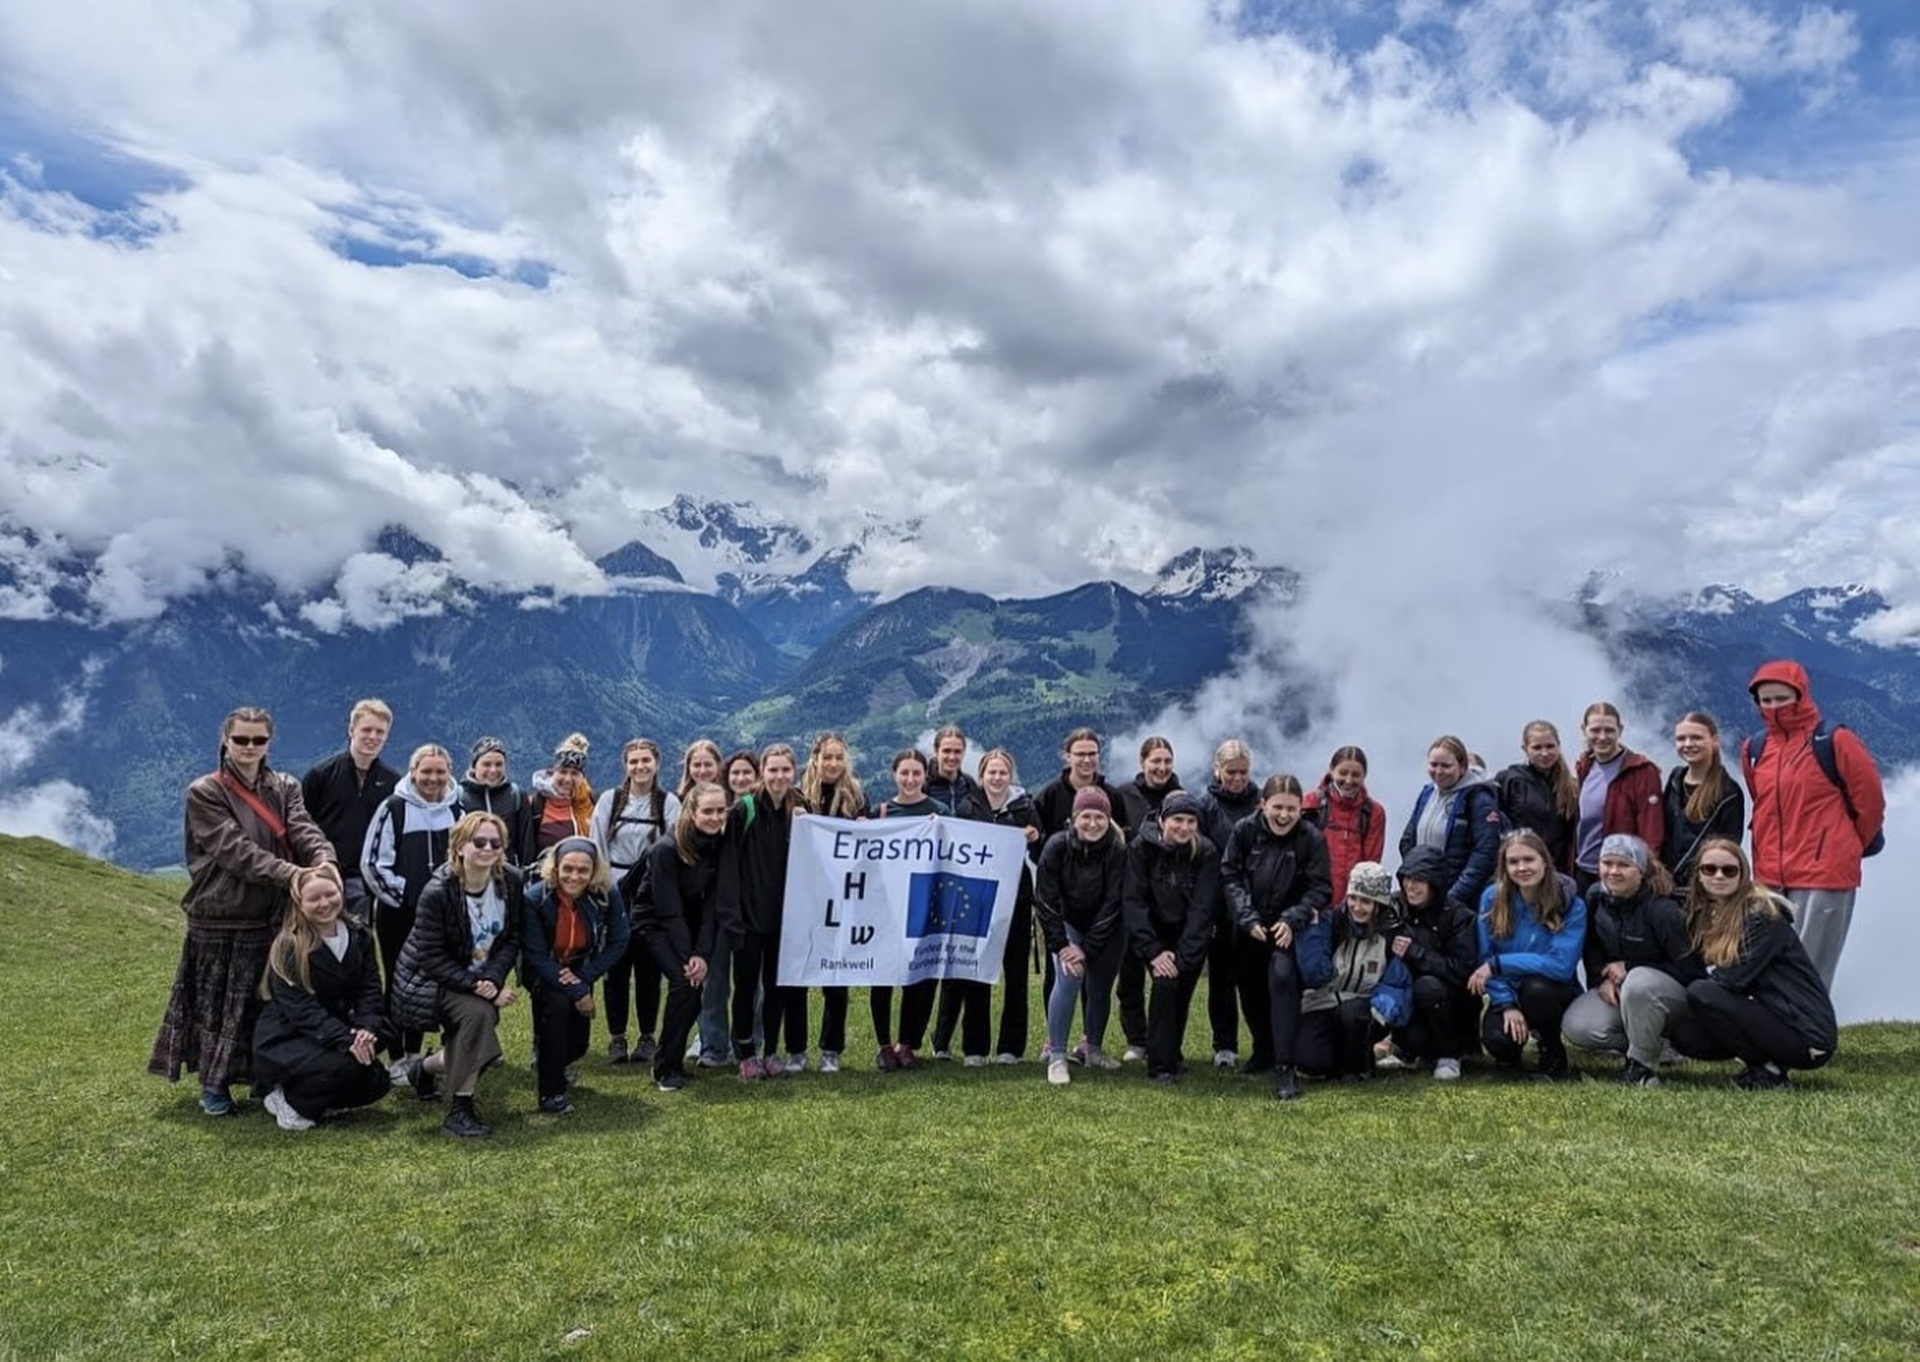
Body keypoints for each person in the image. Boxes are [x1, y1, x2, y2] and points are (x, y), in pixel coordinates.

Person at [150, 707, 336, 1116]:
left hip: (273, 912)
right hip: (223, 914)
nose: (250, 748)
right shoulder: (205, 792)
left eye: (258, 740)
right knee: (219, 1007)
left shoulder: (285, 786)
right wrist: (293, 873)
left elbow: (303, 828)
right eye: (241, 740)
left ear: (269, 743)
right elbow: (235, 851)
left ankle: (260, 1075)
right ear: (225, 741)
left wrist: (324, 860)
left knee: (268, 1002)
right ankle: (214, 1085)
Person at [1739, 661, 1886, 987]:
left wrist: (1842, 847)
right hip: (1770, 877)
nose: (1774, 706)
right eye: (1766, 700)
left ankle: (1812, 1037)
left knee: (1812, 970)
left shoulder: (1835, 740)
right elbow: (1763, 804)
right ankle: (1776, 1035)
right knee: (1768, 967)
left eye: (1781, 698)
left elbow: (1871, 802)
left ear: (1800, 695)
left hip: (1824, 878)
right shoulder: (1754, 748)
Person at [390, 812, 523, 1138]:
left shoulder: (511, 881)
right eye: (479, 842)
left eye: (496, 842)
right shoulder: (438, 891)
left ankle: (424, 1069)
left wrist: (492, 978)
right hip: (431, 978)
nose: (488, 848)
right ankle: (459, 1110)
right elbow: (431, 957)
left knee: (476, 1031)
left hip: (479, 976)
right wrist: (483, 989)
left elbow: (512, 938)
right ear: (460, 846)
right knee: (479, 1019)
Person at [1682, 838, 1839, 1089]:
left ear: (1743, 874)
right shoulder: (1708, 915)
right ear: (1699, 875)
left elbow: (1731, 980)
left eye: (1729, 870)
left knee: (1701, 992)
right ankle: (1764, 1067)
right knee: (1685, 1035)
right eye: (1709, 869)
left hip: (1809, 1036)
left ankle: (1770, 1069)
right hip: (1777, 1020)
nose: (1719, 876)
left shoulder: (1763, 915)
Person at [252, 864, 394, 1131]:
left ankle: (320, 1096)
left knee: (377, 1080)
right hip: (289, 1035)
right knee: (347, 1065)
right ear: (299, 903)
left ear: (340, 891)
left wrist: (365, 1030)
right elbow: (301, 1009)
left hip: (339, 1025)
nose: (324, 903)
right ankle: (286, 1098)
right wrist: (345, 1039)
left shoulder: (359, 934)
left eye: (330, 894)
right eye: (314, 898)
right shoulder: (289, 945)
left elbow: (369, 988)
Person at [1222, 775, 1333, 1100]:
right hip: (1250, 926)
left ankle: (1285, 1068)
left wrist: (1293, 918)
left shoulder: (1311, 838)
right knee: (1250, 987)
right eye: (1277, 808)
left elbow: (1321, 887)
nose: (1284, 815)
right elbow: (1229, 873)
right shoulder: (1244, 830)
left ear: (1301, 808)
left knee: (1283, 984)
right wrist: (1246, 917)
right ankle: (1263, 1050)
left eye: (1291, 809)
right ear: (1263, 805)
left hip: (1289, 929)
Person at [1560, 835, 1703, 1086]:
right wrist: (1602, 980)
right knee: (1577, 1027)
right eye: (1607, 863)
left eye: (1624, 865)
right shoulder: (1595, 896)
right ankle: (1656, 1044)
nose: (1613, 872)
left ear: (1641, 870)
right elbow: (1592, 946)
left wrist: (1630, 968)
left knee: (1639, 982)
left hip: (1668, 995)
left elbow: (1692, 971)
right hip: (1622, 990)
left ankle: (1641, 1068)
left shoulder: (1663, 910)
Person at [360, 743, 461, 1067]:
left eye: (440, 771)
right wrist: (409, 898)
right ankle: (400, 1056)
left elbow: (467, 859)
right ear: (413, 771)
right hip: (399, 916)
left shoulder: (458, 811)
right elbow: (373, 864)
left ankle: (437, 1053)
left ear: (449, 773)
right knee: (400, 982)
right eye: (426, 771)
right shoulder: (395, 808)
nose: (433, 778)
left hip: (446, 916)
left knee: (442, 979)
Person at [716, 744, 806, 1080]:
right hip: (749, 920)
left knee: (776, 988)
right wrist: (732, 918)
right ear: (763, 772)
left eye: (785, 770)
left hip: (785, 921)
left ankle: (770, 1051)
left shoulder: (799, 810)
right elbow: (728, 868)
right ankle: (745, 1052)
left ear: (793, 772)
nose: (779, 777)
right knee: (746, 987)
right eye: (773, 770)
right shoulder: (744, 810)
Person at [522, 837, 630, 1114]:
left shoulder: (607, 893)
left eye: (583, 870)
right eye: (567, 868)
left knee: (578, 1044)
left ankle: (551, 1057)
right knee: (557, 1010)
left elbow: (620, 940)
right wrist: (576, 991)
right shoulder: (536, 897)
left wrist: (584, 979)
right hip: (545, 969)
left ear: (594, 871)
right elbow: (533, 953)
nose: (574, 876)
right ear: (555, 868)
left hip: (582, 968)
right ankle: (551, 1093)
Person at [590, 739, 681, 1066]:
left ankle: (646, 1036)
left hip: (651, 894)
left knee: (648, 968)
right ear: (625, 765)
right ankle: (617, 1037)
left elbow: (673, 847)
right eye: (634, 761)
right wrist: (602, 890)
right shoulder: (609, 800)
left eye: (646, 761)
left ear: (657, 763)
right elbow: (596, 844)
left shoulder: (669, 803)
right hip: (614, 892)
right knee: (615, 968)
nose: (640, 767)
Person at [1469, 830, 1586, 1081]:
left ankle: (1552, 1053)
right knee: (1499, 1043)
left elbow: (1561, 966)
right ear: (1504, 867)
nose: (1522, 867)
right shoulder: (1492, 899)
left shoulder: (1571, 904)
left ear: (1544, 861)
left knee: (1536, 988)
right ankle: (1512, 1052)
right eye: (1513, 862)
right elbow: (1484, 957)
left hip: (1552, 991)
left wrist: (1499, 964)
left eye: (1529, 859)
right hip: (1508, 990)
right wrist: (1506, 1003)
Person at [633, 783, 729, 1092]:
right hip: (654, 921)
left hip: (691, 920)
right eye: (708, 811)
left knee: (692, 987)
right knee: (684, 983)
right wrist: (691, 958)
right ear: (692, 811)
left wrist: (702, 952)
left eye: (720, 810)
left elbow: (713, 906)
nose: (715, 817)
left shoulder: (717, 844)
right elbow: (667, 910)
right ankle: (665, 1068)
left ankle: (670, 1060)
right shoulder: (666, 848)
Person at [951, 749, 1043, 1064]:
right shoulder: (967, 807)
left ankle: (1010, 1048)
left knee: (1016, 975)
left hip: (1015, 901)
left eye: (1003, 772)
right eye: (992, 772)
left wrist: (1034, 836)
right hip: (977, 900)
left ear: (1010, 776)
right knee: (976, 974)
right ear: (981, 775)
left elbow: (1041, 848)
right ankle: (975, 1048)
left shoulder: (1025, 808)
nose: (997, 778)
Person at [1122, 790, 1217, 1085]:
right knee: (1164, 986)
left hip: (1188, 935)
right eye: (1178, 819)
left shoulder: (1206, 852)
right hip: (1153, 933)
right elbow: (1133, 900)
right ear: (1163, 820)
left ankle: (1171, 1053)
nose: (1184, 827)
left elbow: (1204, 906)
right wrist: (1153, 951)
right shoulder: (1142, 848)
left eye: (1191, 821)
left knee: (1182, 990)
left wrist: (1186, 954)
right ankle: (1160, 1066)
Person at [1035, 787, 1127, 1086]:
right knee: (1068, 978)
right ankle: (1058, 1055)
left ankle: (1093, 1048)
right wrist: (1063, 947)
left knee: (1100, 985)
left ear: (1108, 819)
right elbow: (1046, 901)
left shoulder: (1116, 848)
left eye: (1099, 816)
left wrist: (1087, 947)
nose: (1092, 823)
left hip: (1106, 926)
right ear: (1074, 818)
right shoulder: (1056, 846)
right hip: (1067, 922)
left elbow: (1115, 901)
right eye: (1085, 816)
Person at [869, 749, 951, 1070]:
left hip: (925, 904)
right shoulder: (882, 812)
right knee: (883, 975)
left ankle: (908, 1042)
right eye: (904, 773)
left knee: (921, 977)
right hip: (887, 907)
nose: (910, 779)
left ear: (924, 777)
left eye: (916, 773)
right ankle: (884, 1044)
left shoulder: (940, 812)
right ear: (895, 775)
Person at [796, 732, 870, 1074]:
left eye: (839, 757)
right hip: (802, 895)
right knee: (795, 974)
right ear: (815, 758)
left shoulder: (857, 798)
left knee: (836, 977)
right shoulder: (797, 797)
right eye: (827, 757)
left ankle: (831, 1049)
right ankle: (796, 1050)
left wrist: (868, 831)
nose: (833, 763)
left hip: (842, 897)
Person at [1108, 736, 1183, 1063]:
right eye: (1156, 761)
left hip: (1169, 901)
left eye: (1167, 761)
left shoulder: (1181, 798)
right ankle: (1137, 1039)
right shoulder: (1124, 795)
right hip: (1132, 895)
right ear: (1143, 762)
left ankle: (1166, 1041)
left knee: (1168, 975)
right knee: (1131, 976)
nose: (1162, 767)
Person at [1297, 863, 1399, 1084]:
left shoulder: (1389, 936)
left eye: (1366, 901)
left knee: (1352, 1013)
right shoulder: (1329, 923)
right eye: (1353, 898)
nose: (1357, 907)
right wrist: (1313, 930)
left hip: (1363, 1011)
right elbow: (1314, 975)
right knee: (1310, 1063)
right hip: (1321, 1004)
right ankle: (1339, 1059)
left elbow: (1397, 984)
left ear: (1378, 904)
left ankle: (1357, 1065)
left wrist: (1380, 1011)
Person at [299, 699, 398, 923]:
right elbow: (301, 825)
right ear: (351, 729)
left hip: (368, 881)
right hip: (323, 873)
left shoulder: (392, 782)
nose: (373, 736)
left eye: (380, 731)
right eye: (367, 729)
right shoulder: (320, 776)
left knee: (361, 945)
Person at [1383, 846, 1477, 1081]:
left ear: (1434, 883)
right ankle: (1403, 1047)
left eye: (1419, 880)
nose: (1410, 886)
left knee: (1428, 986)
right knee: (1414, 1038)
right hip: (1410, 1002)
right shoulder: (1392, 906)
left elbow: (1463, 970)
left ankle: (1450, 1054)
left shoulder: (1458, 915)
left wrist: (1416, 953)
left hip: (1452, 1004)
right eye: (1406, 878)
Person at [1194, 739, 1259, 1069]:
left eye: (1243, 772)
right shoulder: (1204, 807)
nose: (1237, 778)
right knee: (1221, 978)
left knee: (1253, 978)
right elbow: (1203, 856)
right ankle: (1225, 1045)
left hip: (1254, 904)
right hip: (1219, 904)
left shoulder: (1261, 803)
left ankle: (1263, 1043)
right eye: (1231, 772)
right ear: (1217, 771)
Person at [925, 724, 982, 1060]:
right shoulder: (923, 782)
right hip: (929, 881)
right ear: (936, 752)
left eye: (956, 751)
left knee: (956, 966)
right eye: (945, 751)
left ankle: (942, 1041)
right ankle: (916, 1039)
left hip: (961, 881)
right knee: (927, 963)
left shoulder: (970, 787)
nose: (951, 756)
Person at [1398, 735, 1505, 911]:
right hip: (1423, 893)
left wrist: (1453, 896)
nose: (1438, 771)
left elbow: (1485, 853)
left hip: (1457, 899)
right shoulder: (1427, 793)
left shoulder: (1479, 798)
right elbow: (1408, 838)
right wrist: (1413, 879)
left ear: (1462, 767)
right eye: (1433, 765)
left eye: (1446, 766)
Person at [1571, 702, 1664, 895]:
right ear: (1584, 730)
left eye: (1609, 730)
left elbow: (1651, 829)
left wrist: (1645, 875)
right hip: (1583, 871)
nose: (1602, 737)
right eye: (1595, 730)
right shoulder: (1585, 767)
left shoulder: (1641, 771)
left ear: (1620, 730)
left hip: (1619, 876)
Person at [1661, 712, 1745, 889]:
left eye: (1696, 738)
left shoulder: (1729, 792)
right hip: (1666, 885)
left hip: (1702, 889)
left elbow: (1728, 848)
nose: (1688, 744)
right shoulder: (1675, 778)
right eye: (1681, 739)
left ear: (1715, 741)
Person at [1301, 745, 1387, 915]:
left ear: (1364, 776)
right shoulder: (1312, 804)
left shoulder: (1373, 813)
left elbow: (1370, 865)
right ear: (1332, 770)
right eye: (1343, 773)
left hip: (1352, 911)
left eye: (1356, 775)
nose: (1348, 780)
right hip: (1313, 907)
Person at [1494, 721, 1578, 872]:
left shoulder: (1571, 787)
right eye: (1537, 747)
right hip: (1520, 867)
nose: (1544, 753)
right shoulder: (1509, 780)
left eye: (1550, 746)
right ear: (1525, 749)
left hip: (1556, 870)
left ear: (1559, 746)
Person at [1034, 728, 1132, 838]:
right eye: (1080, 754)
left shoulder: (1112, 796)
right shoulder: (1050, 795)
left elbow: (1124, 837)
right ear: (1068, 757)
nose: (1087, 760)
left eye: (1092, 754)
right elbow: (1036, 836)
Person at [514, 735, 595, 867]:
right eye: (563, 772)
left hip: (583, 878)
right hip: (543, 880)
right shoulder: (533, 806)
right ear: (553, 773)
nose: (568, 779)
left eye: (574, 773)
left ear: (582, 777)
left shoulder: (592, 805)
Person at [457, 737, 523, 864]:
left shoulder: (515, 795)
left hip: (507, 876)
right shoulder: (460, 797)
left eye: (499, 764)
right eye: (486, 764)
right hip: (470, 874)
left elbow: (525, 844)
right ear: (474, 766)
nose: (493, 770)